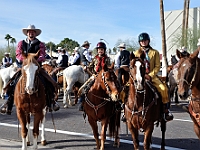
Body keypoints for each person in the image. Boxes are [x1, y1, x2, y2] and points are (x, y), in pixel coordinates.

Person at [0, 24, 60, 115]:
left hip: (36, 67)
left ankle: (51, 101)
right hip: (24, 67)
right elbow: (18, 54)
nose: (31, 33)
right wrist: (26, 60)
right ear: (27, 33)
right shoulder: (21, 43)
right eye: (29, 32)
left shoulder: (41, 44)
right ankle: (8, 102)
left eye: (33, 32)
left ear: (35, 33)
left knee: (48, 81)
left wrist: (34, 60)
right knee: (13, 82)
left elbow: (42, 55)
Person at [134, 32, 174, 122]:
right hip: (139, 76)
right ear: (139, 42)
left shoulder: (155, 52)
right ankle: (126, 112)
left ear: (148, 41)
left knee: (163, 89)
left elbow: (157, 66)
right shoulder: (136, 53)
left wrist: (150, 75)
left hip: (152, 76)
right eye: (142, 41)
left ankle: (166, 111)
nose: (143, 42)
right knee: (128, 89)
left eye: (145, 40)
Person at [78, 42, 112, 111]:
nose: (100, 51)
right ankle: (81, 102)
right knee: (86, 87)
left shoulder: (107, 59)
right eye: (99, 49)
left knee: (112, 88)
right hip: (95, 76)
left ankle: (115, 104)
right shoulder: (95, 58)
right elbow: (91, 66)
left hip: (104, 77)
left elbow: (109, 67)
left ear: (104, 50)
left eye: (102, 49)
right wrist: (86, 68)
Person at [114, 43, 130, 122]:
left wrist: (118, 67)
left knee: (116, 78)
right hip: (128, 68)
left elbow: (117, 63)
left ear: (120, 48)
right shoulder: (129, 52)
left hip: (121, 67)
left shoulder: (118, 53)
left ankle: (119, 86)